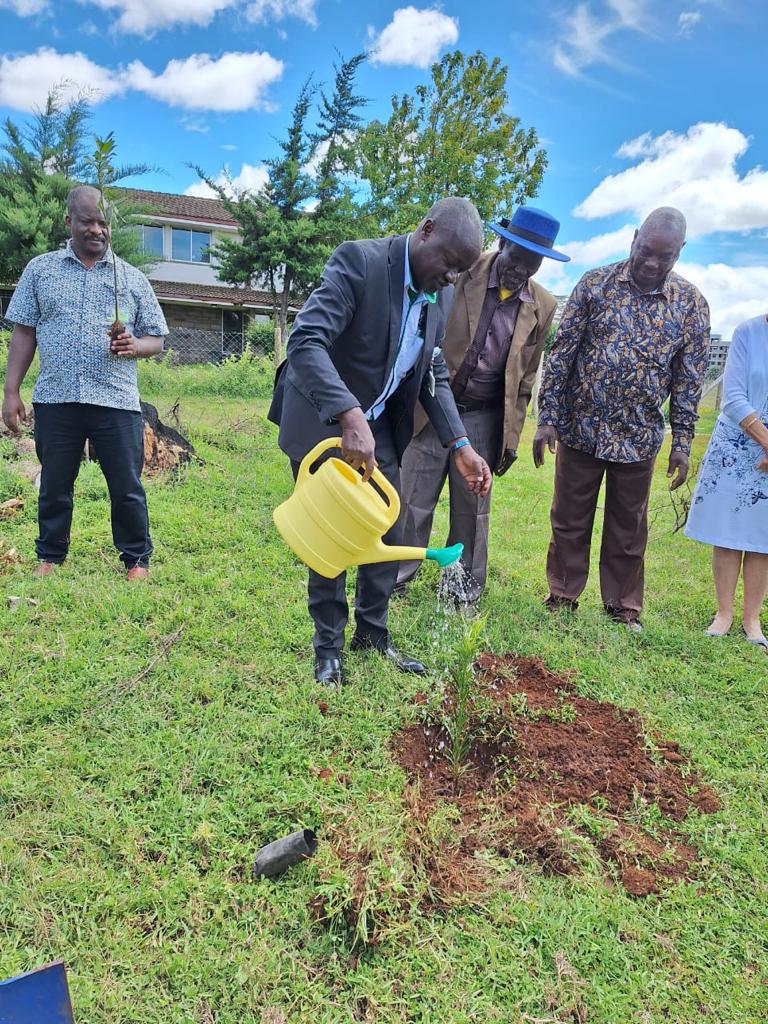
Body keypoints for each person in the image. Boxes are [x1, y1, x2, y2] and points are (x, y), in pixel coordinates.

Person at [269, 198, 492, 686]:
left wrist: (460, 444)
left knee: (387, 528)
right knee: (333, 536)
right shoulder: (361, 262)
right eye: (450, 264)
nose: (453, 278)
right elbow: (306, 341)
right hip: (325, 419)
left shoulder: (440, 291)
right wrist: (349, 414)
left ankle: (374, 633)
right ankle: (327, 650)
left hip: (379, 428)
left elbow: (430, 365)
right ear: (426, 230)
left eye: (462, 271)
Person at [533, 207, 710, 631]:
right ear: (633, 239)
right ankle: (562, 594)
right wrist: (548, 417)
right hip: (581, 427)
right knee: (570, 517)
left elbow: (689, 383)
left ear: (679, 253)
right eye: (645, 251)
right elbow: (562, 355)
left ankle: (623, 606)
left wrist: (682, 445)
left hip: (639, 436)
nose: (651, 263)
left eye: (663, 257)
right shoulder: (594, 284)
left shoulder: (691, 306)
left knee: (628, 527)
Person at [396, 206, 569, 603]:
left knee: (472, 507)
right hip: (433, 403)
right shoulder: (461, 273)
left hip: (484, 417)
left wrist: (509, 438)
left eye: (532, 263)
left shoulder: (543, 305)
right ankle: (395, 579)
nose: (520, 269)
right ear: (503, 242)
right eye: (516, 257)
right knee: (412, 497)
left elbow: (526, 378)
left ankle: (461, 590)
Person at [1, 185, 168, 579]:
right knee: (55, 484)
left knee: (126, 486)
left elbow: (157, 338)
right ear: (69, 222)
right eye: (88, 221)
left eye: (103, 222)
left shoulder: (129, 277)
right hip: (57, 397)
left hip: (116, 399)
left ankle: (135, 560)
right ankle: (50, 557)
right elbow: (24, 332)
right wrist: (11, 391)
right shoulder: (41, 270)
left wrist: (134, 345)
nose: (97, 230)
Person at [684, 315, 768, 648]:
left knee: (763, 538)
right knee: (729, 533)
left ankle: (752, 619)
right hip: (737, 445)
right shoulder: (749, 332)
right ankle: (724, 614)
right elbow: (733, 398)